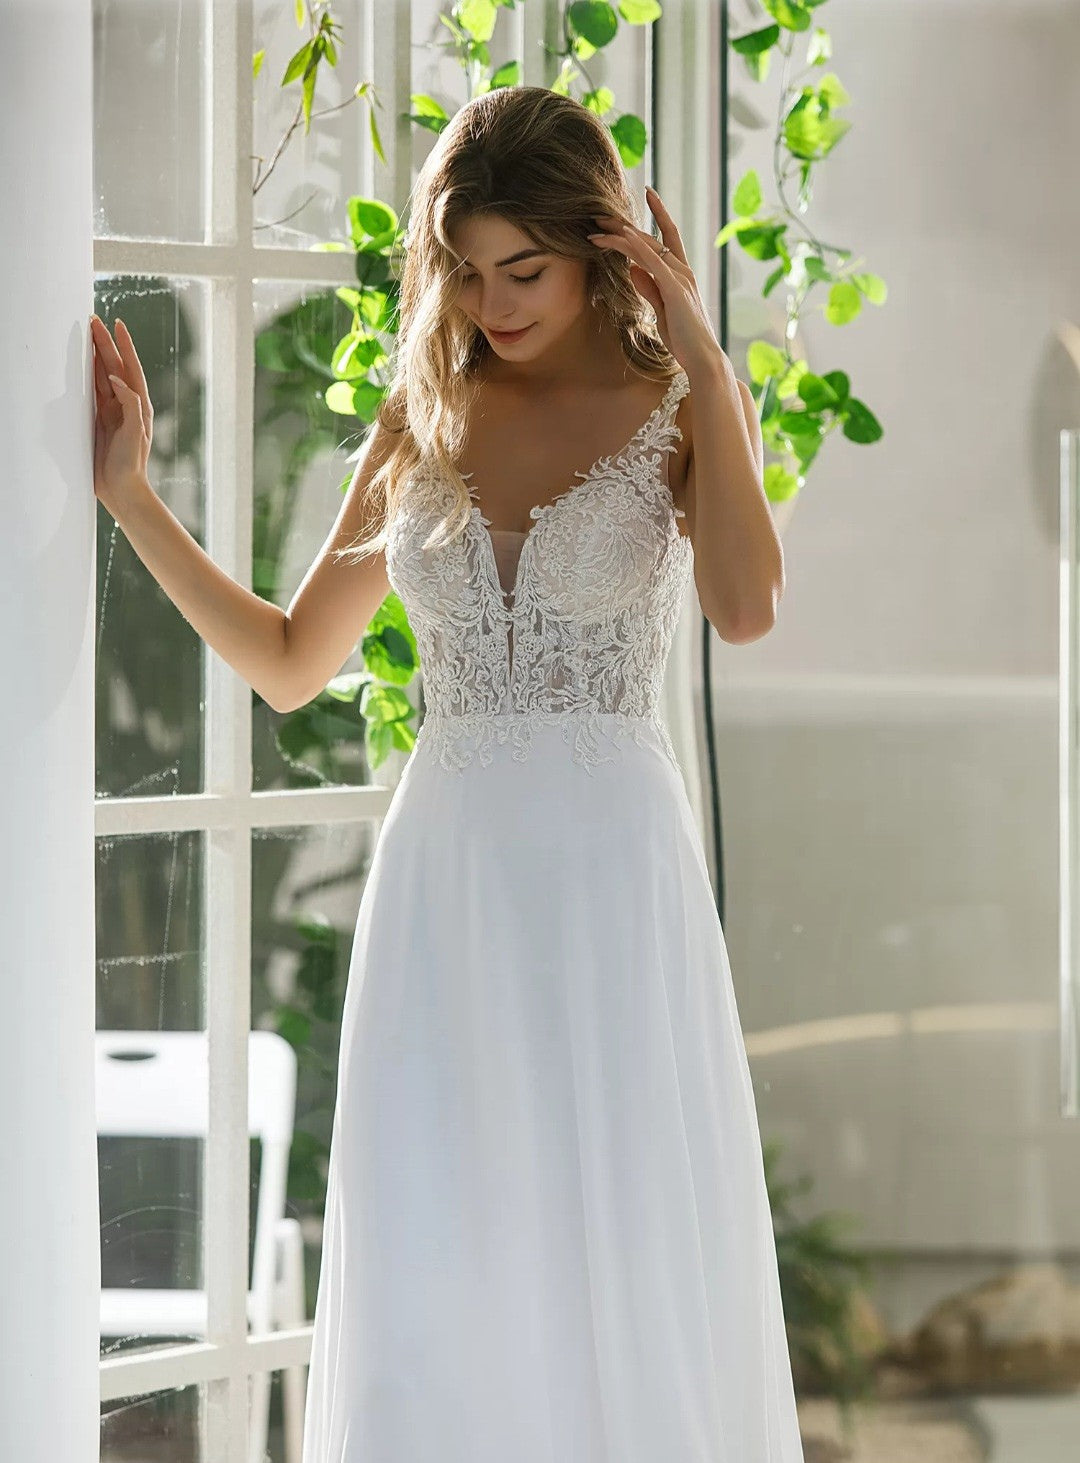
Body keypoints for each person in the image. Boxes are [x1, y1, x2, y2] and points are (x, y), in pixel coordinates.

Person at [91, 85, 802, 1463]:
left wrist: (708, 358)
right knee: (448, 1241)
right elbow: (296, 660)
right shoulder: (426, 411)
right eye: (467, 271)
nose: (492, 301)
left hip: (610, 874)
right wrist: (134, 499)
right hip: (449, 875)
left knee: (623, 1227)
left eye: (522, 269)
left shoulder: (670, 407)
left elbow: (746, 606)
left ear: (606, 246)